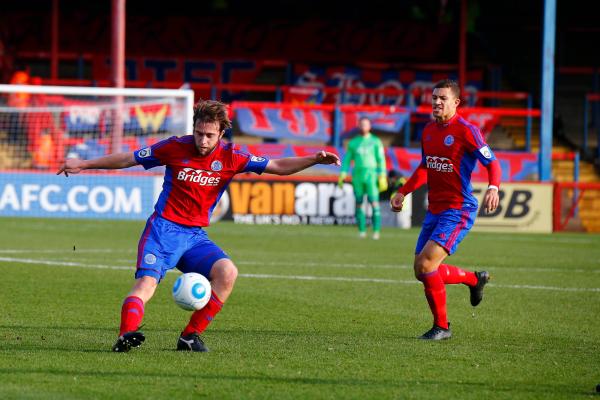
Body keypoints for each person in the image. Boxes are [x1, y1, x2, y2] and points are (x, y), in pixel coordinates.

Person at [57, 99, 341, 352]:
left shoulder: (233, 157)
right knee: (146, 283)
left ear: (221, 134)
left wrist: (313, 159)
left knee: (227, 273)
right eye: (198, 134)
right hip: (163, 230)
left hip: (194, 237)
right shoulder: (173, 147)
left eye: (209, 135)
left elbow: (278, 166)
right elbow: (129, 158)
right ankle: (125, 335)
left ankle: (190, 337)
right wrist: (84, 163)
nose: (202, 141)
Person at [390, 79, 501, 340]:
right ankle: (474, 280)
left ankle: (442, 327)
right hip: (435, 210)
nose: (437, 102)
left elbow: (492, 163)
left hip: (458, 209)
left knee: (427, 263)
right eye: (434, 98)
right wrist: (403, 191)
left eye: (443, 98)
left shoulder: (467, 131)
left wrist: (494, 187)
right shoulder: (428, 130)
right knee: (422, 270)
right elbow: (426, 167)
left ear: (456, 102)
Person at [338, 117, 388, 239]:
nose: (363, 127)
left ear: (369, 126)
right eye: (361, 124)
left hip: (371, 175)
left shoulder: (376, 141)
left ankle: (376, 231)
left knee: (374, 203)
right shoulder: (353, 142)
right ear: (358, 126)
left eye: (365, 124)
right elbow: (347, 160)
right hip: (357, 176)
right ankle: (362, 231)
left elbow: (381, 159)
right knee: (359, 203)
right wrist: (343, 173)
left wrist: (382, 174)